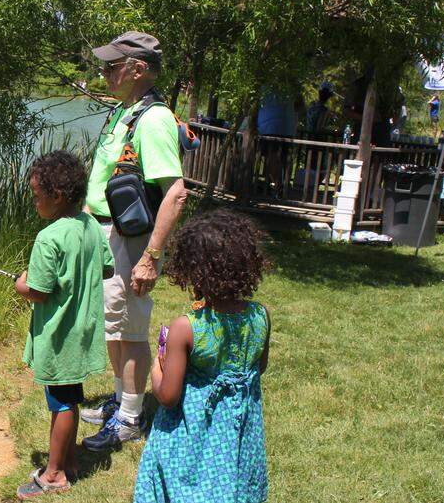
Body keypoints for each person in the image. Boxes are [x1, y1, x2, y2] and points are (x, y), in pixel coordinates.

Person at [78, 31, 187, 450]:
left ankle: (129, 418)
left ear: (137, 69)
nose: (103, 72)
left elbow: (175, 191)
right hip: (106, 234)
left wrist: (150, 258)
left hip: (129, 241)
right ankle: (122, 399)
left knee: (131, 329)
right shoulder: (124, 112)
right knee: (113, 325)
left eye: (111, 66)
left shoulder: (154, 119)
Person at [133, 209, 271, 502]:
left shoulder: (188, 328)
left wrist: (158, 369)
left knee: (191, 487)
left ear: (194, 270)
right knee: (234, 485)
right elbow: (260, 366)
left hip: (194, 433)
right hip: (239, 433)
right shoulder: (261, 315)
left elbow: (169, 396)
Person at [14, 150, 114, 499]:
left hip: (59, 335)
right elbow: (107, 269)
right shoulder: (90, 227)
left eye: (36, 196)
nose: (34, 202)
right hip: (82, 329)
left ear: (56, 196)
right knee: (70, 398)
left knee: (59, 402)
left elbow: (38, 292)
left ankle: (54, 474)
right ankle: (69, 461)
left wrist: (20, 284)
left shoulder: (49, 237)